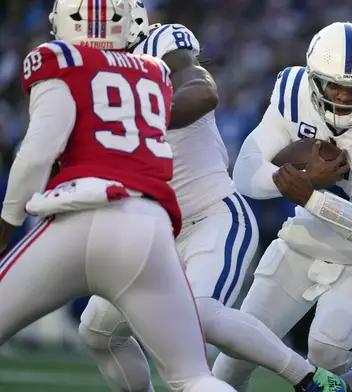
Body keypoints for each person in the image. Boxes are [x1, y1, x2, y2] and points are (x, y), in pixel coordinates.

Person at [77, 3, 348, 392]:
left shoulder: (160, 43)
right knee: (97, 332)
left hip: (212, 216)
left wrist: (138, 116)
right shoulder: (84, 78)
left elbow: (202, 92)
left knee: (199, 313)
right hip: (152, 235)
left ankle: (311, 380)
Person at [0, 0, 232, 390]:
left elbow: (36, 155)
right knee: (192, 376)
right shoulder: (155, 70)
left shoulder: (59, 59)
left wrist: (6, 225)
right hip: (148, 227)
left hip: (78, 217)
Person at [213, 21, 352, 391]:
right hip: (303, 240)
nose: (342, 97)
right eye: (334, 86)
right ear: (313, 79)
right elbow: (245, 174)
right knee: (232, 360)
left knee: (326, 353)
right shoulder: (293, 91)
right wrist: (303, 185)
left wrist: (309, 194)